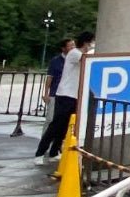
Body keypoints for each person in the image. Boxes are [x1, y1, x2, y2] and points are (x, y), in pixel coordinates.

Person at [34, 31, 94, 164]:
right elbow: (87, 58)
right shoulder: (75, 53)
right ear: (86, 42)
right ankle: (39, 153)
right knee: (55, 125)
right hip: (65, 94)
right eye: (91, 42)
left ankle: (54, 152)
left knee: (65, 126)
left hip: (74, 95)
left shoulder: (79, 53)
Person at [43, 38, 74, 122]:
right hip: (55, 93)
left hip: (69, 95)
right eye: (70, 46)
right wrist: (46, 94)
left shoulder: (75, 60)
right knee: (50, 119)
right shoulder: (55, 61)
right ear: (63, 48)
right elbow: (50, 77)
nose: (73, 48)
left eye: (73, 45)